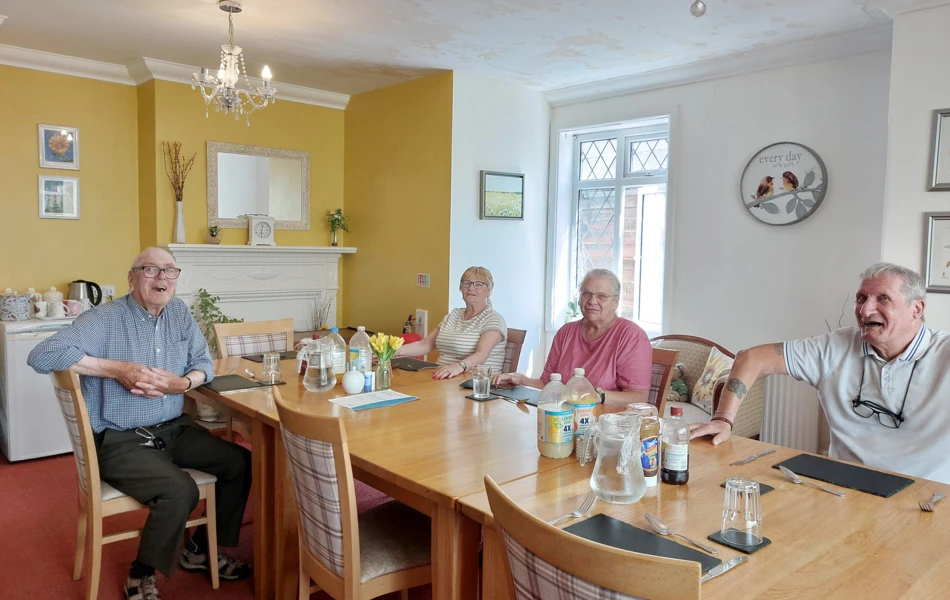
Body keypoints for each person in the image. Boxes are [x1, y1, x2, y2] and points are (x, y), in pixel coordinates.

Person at [28, 247, 252, 600]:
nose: (161, 277)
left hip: (174, 429)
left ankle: (201, 551)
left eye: (169, 270)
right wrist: (117, 369)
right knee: (180, 490)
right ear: (132, 278)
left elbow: (203, 362)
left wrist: (185, 383)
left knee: (238, 461)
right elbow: (42, 355)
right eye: (150, 269)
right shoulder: (104, 318)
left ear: (176, 279)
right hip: (120, 440)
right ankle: (140, 574)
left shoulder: (179, 313)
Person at [690, 263, 950, 484]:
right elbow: (752, 357)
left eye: (883, 298)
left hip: (925, 496)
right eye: (861, 298)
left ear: (917, 309)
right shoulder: (836, 346)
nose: (865, 309)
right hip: (844, 486)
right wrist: (723, 419)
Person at [493, 269, 652, 410]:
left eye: (601, 296)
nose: (592, 301)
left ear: (615, 303)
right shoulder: (566, 332)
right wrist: (521, 379)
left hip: (604, 426)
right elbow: (546, 385)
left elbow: (638, 397)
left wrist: (596, 396)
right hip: (563, 419)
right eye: (586, 293)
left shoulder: (631, 336)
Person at [395, 266, 507, 379]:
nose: (471, 288)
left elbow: (481, 355)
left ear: (489, 290)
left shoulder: (493, 319)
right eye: (466, 283)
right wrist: (391, 351)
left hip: (475, 384)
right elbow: (424, 345)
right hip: (442, 378)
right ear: (461, 288)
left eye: (479, 284)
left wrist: (459, 366)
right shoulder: (453, 315)